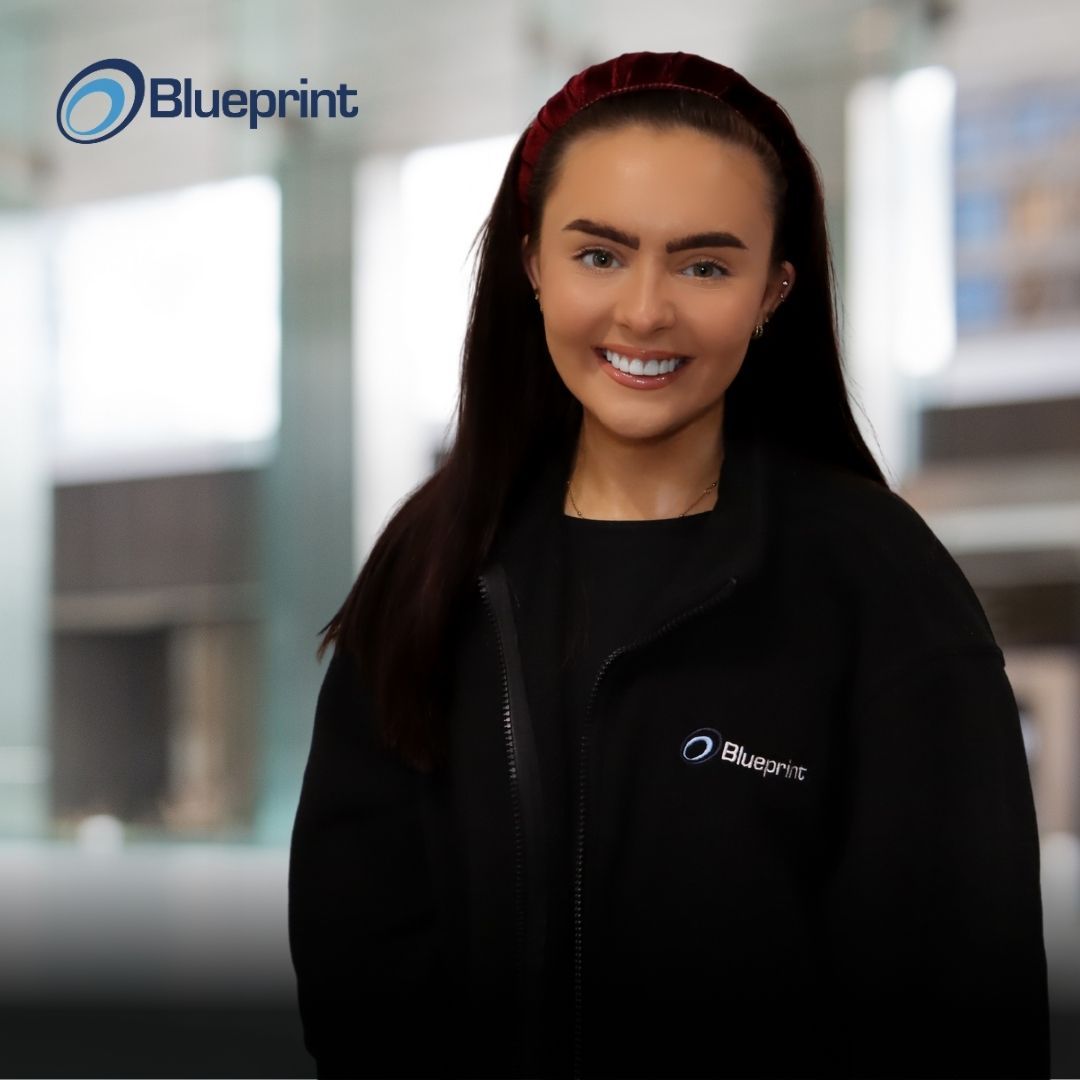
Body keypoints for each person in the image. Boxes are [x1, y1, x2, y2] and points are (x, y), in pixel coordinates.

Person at [287, 51, 1050, 1079]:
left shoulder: (877, 580)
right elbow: (358, 950)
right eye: (600, 255)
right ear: (532, 264)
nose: (645, 313)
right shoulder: (433, 565)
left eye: (704, 265)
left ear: (773, 290)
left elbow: (959, 990)